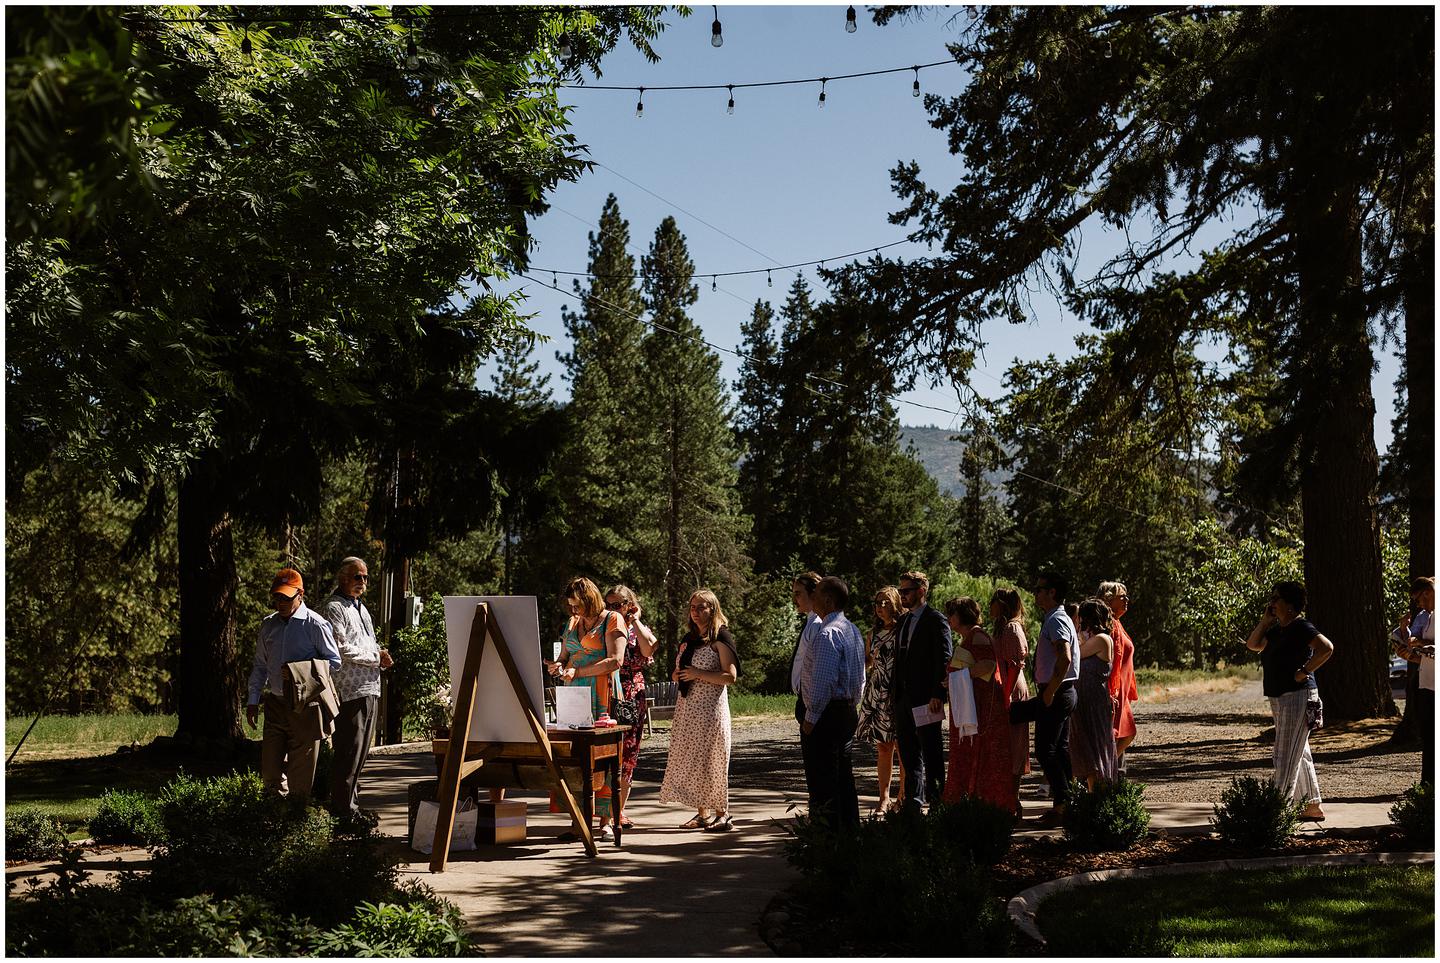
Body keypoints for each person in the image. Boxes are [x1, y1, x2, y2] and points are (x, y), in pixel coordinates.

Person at [246, 568, 342, 801]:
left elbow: (334, 662)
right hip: (275, 704)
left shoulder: (315, 624)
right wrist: (252, 700)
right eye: (277, 597)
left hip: (305, 707)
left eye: (286, 597)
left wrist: (302, 672)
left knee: (301, 776)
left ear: (300, 595)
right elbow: (260, 665)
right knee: (270, 771)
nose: (281, 602)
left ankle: (296, 821)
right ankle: (277, 817)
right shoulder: (268, 625)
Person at [1245, 580, 1334, 821]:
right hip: (1279, 697)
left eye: (1276, 598)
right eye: (1271, 598)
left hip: (1299, 696)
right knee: (1299, 751)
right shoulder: (1276, 631)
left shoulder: (1301, 626)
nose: (1271, 602)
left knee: (1284, 754)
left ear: (1290, 604)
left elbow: (1326, 648)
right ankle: (1311, 805)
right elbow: (1253, 644)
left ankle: (1277, 810)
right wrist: (1265, 621)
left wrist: (1304, 671)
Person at [548, 577, 626, 840]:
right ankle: (577, 820)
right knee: (573, 755)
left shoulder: (612, 620)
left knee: (603, 756)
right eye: (570, 605)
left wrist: (578, 670)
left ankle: (604, 821)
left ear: (590, 600)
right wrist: (557, 666)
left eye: (577, 605)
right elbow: (565, 657)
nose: (573, 610)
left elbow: (616, 660)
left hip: (602, 691)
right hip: (573, 692)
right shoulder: (572, 622)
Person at [659, 589, 739, 831]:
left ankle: (723, 813)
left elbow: (730, 676)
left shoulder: (720, 638)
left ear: (712, 609)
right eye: (693, 607)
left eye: (701, 607)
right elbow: (682, 669)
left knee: (713, 759)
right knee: (695, 760)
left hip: (710, 710)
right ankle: (702, 813)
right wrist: (678, 675)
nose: (695, 612)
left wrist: (697, 674)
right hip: (687, 708)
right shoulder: (690, 639)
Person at [320, 557, 393, 818]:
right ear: (342, 578)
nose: (362, 582)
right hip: (349, 689)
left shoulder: (361, 608)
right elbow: (339, 647)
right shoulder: (334, 607)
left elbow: (365, 644)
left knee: (361, 754)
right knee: (348, 752)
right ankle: (343, 811)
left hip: (370, 686)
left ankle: (353, 809)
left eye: (365, 577)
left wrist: (380, 656)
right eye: (356, 577)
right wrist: (376, 657)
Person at [1009, 571, 1080, 826]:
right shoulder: (1056, 617)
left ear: (1052, 592)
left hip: (1057, 692)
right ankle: (1068, 803)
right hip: (1061, 691)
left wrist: (1049, 691)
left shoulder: (1057, 620)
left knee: (1045, 749)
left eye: (1039, 589)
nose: (1035, 593)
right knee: (1059, 749)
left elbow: (1065, 657)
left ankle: (1063, 805)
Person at [797, 576, 866, 829]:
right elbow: (860, 678)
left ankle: (826, 838)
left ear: (827, 600)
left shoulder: (828, 634)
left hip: (828, 715)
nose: (811, 598)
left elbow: (823, 682)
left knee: (823, 779)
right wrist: (852, 705)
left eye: (815, 594)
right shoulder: (852, 629)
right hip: (845, 710)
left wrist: (810, 718)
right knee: (843, 777)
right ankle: (849, 832)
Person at [942, 597, 1019, 813]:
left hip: (983, 709)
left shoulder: (977, 636)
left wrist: (957, 677)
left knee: (986, 757)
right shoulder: (970, 636)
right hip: (972, 705)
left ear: (962, 615)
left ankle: (989, 807)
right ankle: (970, 804)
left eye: (952, 614)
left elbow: (988, 665)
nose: (949, 619)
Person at [892, 570, 952, 812]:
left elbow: (944, 659)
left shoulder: (936, 620)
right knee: (908, 754)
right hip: (902, 698)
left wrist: (938, 693)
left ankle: (937, 803)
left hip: (927, 699)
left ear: (921, 591)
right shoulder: (903, 621)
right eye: (900, 591)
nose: (902, 596)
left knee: (932, 753)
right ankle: (914, 803)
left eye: (906, 591)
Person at [606, 584, 658, 830]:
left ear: (629, 605)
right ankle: (604, 809)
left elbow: (649, 647)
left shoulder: (637, 629)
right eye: (608, 605)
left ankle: (620, 810)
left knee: (628, 753)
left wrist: (634, 621)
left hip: (631, 691)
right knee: (606, 751)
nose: (611, 610)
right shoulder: (605, 625)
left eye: (617, 605)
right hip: (607, 688)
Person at [855, 585, 906, 816]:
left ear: (896, 603)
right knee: (883, 749)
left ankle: (903, 797)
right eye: (877, 603)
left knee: (903, 748)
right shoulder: (872, 634)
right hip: (878, 694)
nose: (880, 607)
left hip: (898, 693)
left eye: (886, 602)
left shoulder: (904, 630)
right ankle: (883, 798)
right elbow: (866, 663)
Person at [990, 588, 1032, 810]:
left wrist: (1006, 696)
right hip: (1005, 688)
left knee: (1014, 745)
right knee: (1004, 745)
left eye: (993, 601)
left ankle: (1012, 801)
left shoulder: (1011, 628)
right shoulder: (1001, 628)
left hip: (1012, 690)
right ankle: (1005, 798)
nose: (989, 605)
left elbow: (1015, 666)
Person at [1070, 598, 1119, 788]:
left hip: (1094, 701)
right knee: (1084, 748)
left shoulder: (1102, 639)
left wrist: (1078, 635)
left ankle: (1099, 795)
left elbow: (1075, 654)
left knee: (1096, 748)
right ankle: (1089, 795)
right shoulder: (1091, 639)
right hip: (1083, 699)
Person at [1392, 576, 1434, 785]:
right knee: (1429, 737)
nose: (1420, 605)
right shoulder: (1428, 616)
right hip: (1427, 682)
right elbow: (1425, 655)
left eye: (1419, 599)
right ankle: (1427, 787)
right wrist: (1409, 655)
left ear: (1428, 591)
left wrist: (1424, 644)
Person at [1097, 581, 1139, 770]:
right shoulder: (1109, 625)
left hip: (1120, 690)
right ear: (1109, 600)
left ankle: (1107, 769)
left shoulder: (1117, 623)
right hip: (1113, 690)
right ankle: (1102, 770)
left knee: (1125, 733)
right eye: (1122, 596)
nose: (1127, 599)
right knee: (1121, 733)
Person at [790, 571, 824, 714]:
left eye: (798, 594)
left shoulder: (817, 624)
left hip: (810, 698)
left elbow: (818, 666)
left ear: (813, 594)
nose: (794, 599)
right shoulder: (811, 622)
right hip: (804, 697)